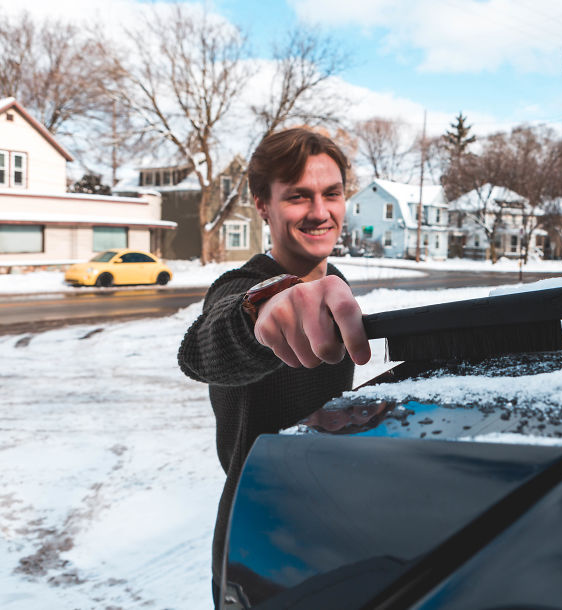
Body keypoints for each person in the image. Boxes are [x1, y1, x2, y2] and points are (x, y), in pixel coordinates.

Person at [177, 128, 371, 608]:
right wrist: (259, 314)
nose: (320, 212)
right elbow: (201, 349)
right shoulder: (242, 288)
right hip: (258, 547)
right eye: (298, 197)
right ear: (263, 205)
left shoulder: (335, 281)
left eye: (332, 194)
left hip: (329, 527)